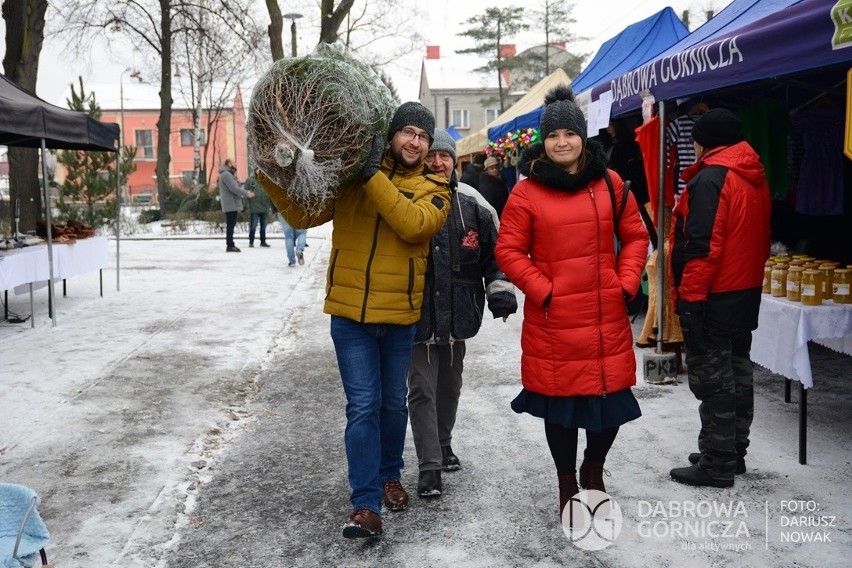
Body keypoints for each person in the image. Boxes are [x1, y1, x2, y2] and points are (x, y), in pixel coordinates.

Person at [257, 101, 451, 539]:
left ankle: (389, 475)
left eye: (422, 136)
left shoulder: (436, 187)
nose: (415, 142)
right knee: (362, 406)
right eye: (407, 132)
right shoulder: (353, 177)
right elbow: (303, 214)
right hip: (350, 315)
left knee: (391, 404)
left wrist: (371, 175)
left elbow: (413, 225)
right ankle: (365, 504)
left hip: (399, 316)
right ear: (392, 136)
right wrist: (269, 168)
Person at [494, 85, 649, 518]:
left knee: (612, 400)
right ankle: (566, 479)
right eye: (553, 134)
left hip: (604, 315)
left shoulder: (611, 183)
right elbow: (508, 250)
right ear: (543, 141)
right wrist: (544, 289)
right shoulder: (526, 192)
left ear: (583, 136)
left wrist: (625, 281)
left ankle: (593, 469)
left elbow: (637, 235)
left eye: (570, 133)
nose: (562, 141)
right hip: (555, 319)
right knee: (560, 407)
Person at [408, 129, 517, 498]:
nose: (437, 162)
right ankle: (429, 467)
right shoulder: (405, 197)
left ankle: (443, 442)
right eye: (430, 156)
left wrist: (500, 296)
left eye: (444, 155)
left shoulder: (474, 202)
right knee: (421, 388)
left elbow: (496, 256)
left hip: (459, 314)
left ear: (454, 160)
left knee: (449, 387)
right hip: (418, 315)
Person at [668, 108, 771, 488]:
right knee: (739, 373)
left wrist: (690, 302)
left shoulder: (712, 178)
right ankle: (729, 450)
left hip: (713, 293)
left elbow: (702, 247)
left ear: (700, 142)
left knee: (715, 382)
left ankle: (717, 465)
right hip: (742, 290)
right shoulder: (752, 173)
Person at [606, 117, 649, 206]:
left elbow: (630, 164)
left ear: (616, 125)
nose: (607, 127)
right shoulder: (609, 144)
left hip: (628, 181)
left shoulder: (626, 143)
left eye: (610, 124)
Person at [218, 158, 253, 253]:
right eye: (233, 163)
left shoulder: (228, 174)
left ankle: (230, 244)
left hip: (231, 203)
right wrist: (246, 193)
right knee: (230, 225)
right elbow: (234, 188)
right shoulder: (226, 174)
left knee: (231, 224)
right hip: (230, 203)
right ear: (228, 163)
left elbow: (235, 187)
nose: (235, 164)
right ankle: (230, 245)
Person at [245, 170, 272, 247]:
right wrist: (246, 205)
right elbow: (246, 192)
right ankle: (251, 242)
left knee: (263, 226)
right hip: (254, 207)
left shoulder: (266, 180)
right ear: (255, 170)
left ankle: (263, 241)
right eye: (258, 170)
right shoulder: (251, 180)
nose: (260, 171)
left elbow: (270, 192)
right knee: (253, 226)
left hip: (265, 207)